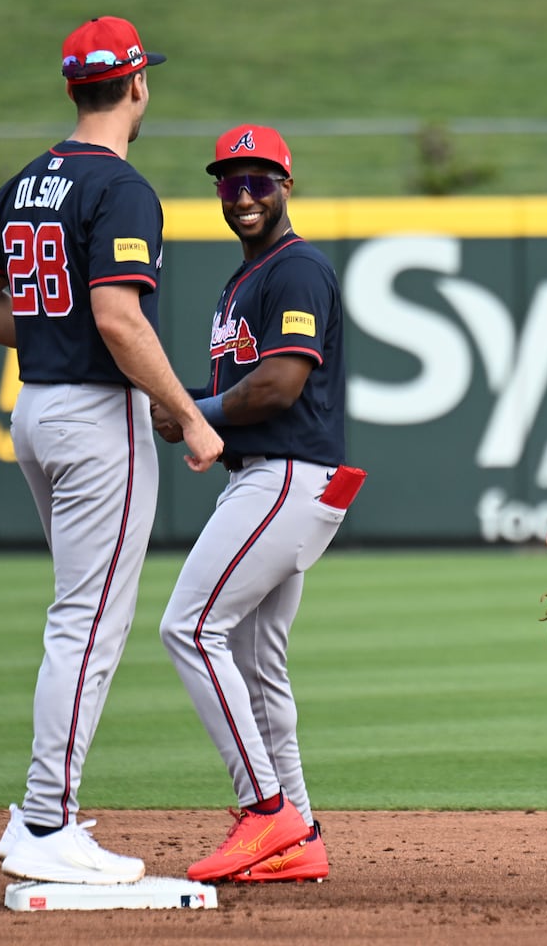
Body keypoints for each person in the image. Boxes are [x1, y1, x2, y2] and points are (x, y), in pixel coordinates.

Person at [0, 15, 222, 885]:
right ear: (136, 85)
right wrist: (186, 409)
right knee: (88, 622)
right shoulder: (122, 186)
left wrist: (46, 346)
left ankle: (41, 813)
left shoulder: (29, 180)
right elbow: (116, 316)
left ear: (75, 87)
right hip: (98, 418)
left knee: (77, 613)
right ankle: (44, 822)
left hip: (38, 407)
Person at [155, 124, 363, 884]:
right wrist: (193, 407)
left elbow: (279, 384)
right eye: (229, 181)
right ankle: (299, 833)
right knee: (254, 659)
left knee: (189, 628)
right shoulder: (242, 279)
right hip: (272, 479)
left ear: (287, 184)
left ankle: (263, 808)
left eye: (259, 180)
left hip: (285, 476)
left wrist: (190, 410)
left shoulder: (296, 267)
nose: (244, 195)